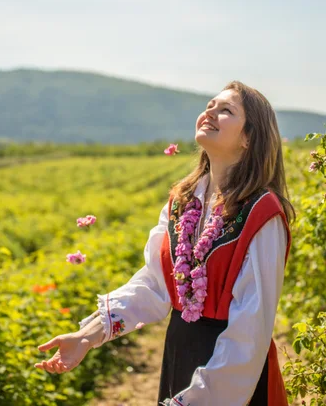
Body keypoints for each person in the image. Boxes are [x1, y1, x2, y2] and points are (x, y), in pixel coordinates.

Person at [34, 80, 294, 406]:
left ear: (248, 138)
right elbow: (157, 284)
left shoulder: (262, 213)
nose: (210, 111)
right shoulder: (183, 201)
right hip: (180, 349)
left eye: (225, 110)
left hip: (230, 372)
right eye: (210, 105)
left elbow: (251, 329)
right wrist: (88, 336)